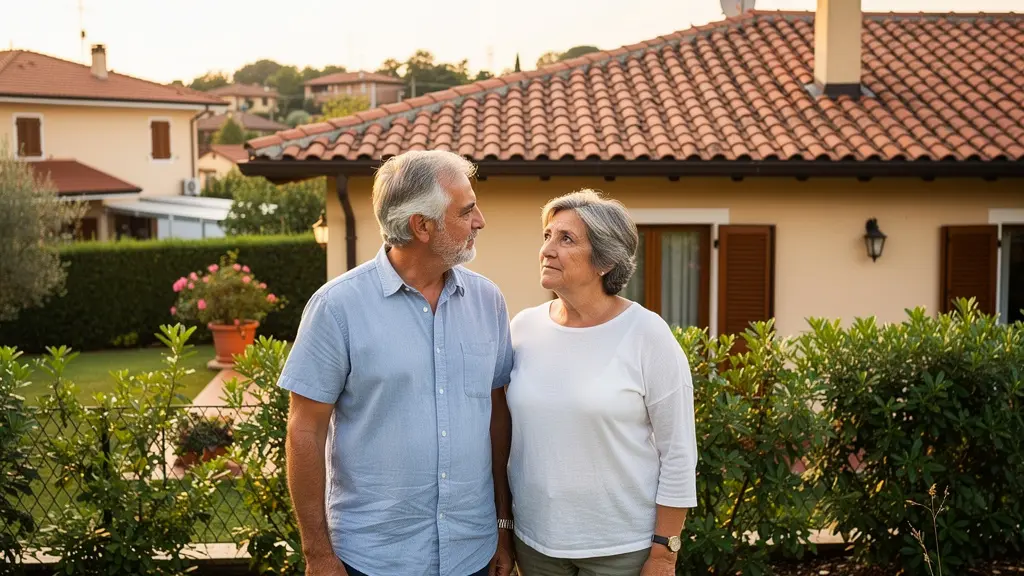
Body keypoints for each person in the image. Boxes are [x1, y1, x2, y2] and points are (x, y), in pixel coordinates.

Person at [279, 150, 516, 576]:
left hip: (472, 553)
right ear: (421, 226)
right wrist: (317, 554)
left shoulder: (488, 302)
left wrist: (503, 527)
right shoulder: (337, 308)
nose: (480, 220)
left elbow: (497, 419)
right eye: (466, 211)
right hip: (373, 558)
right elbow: (304, 430)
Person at [506, 189, 698, 576]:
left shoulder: (648, 334)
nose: (547, 249)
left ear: (605, 261)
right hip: (536, 546)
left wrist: (664, 554)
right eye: (547, 235)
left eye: (566, 239)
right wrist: (505, 530)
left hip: (621, 550)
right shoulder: (523, 328)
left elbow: (678, 452)